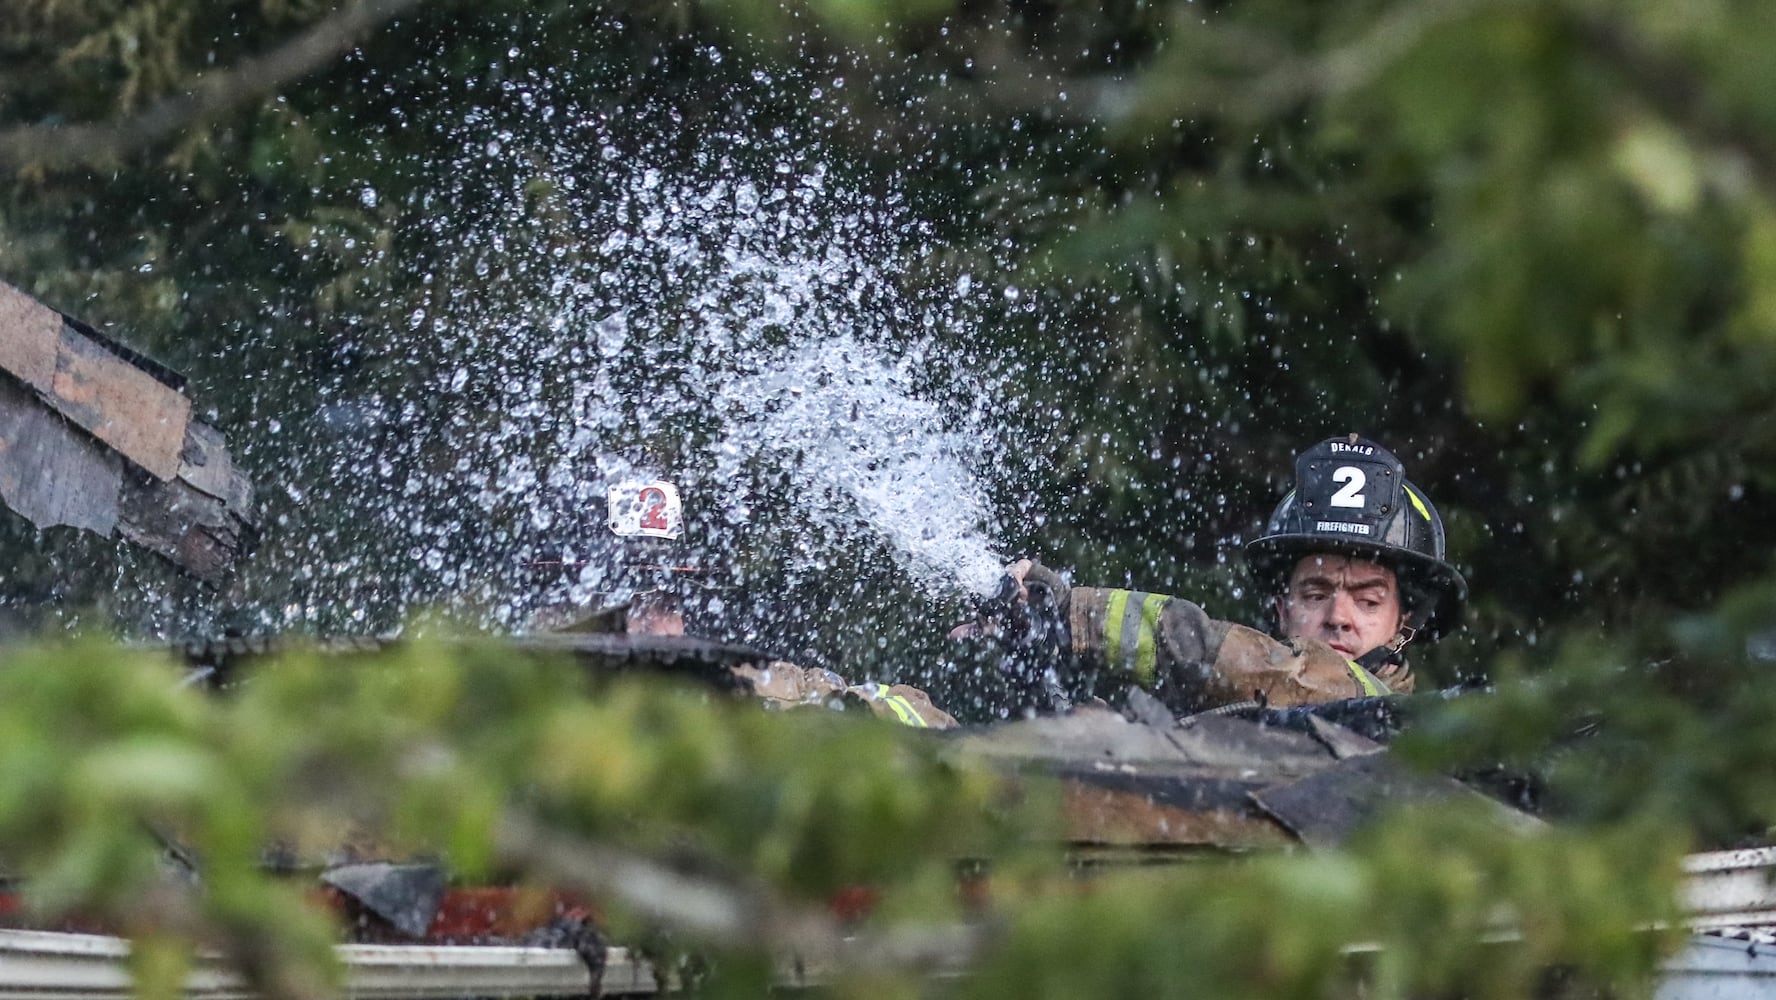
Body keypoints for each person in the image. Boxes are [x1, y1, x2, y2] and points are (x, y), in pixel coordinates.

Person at [958, 434, 1466, 714]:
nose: (1339, 617)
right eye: (1315, 593)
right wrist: (1036, 658)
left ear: (1406, 625)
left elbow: (1253, 667)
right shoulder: (1226, 707)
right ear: (1280, 606)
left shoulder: (1393, 723)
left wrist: (1076, 615)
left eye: (1368, 601)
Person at [534, 476, 956, 728]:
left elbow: (924, 719)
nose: (657, 627)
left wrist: (849, 716)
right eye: (632, 603)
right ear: (577, 601)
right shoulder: (512, 711)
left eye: (667, 604)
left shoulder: (745, 687)